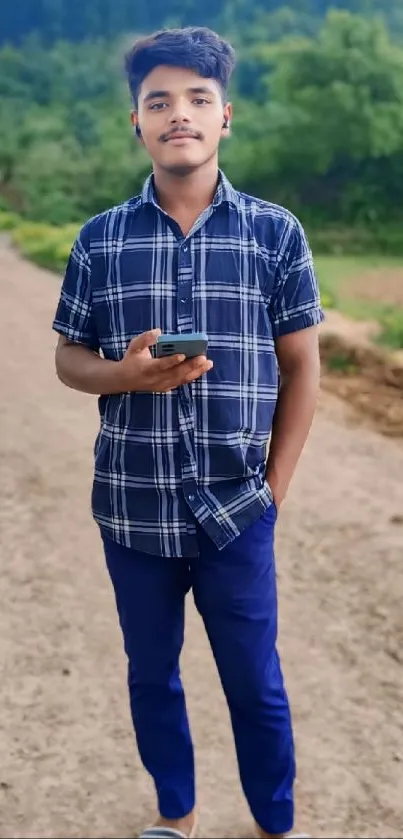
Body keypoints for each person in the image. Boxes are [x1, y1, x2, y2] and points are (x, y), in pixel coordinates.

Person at [52, 25, 323, 839]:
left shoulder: (274, 233)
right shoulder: (100, 240)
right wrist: (120, 374)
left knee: (253, 677)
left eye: (197, 99)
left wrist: (273, 487)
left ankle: (276, 821)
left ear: (224, 116)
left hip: (238, 506)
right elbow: (69, 358)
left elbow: (303, 367)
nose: (179, 114)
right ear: (136, 120)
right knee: (150, 673)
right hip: (132, 507)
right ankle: (176, 813)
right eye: (158, 100)